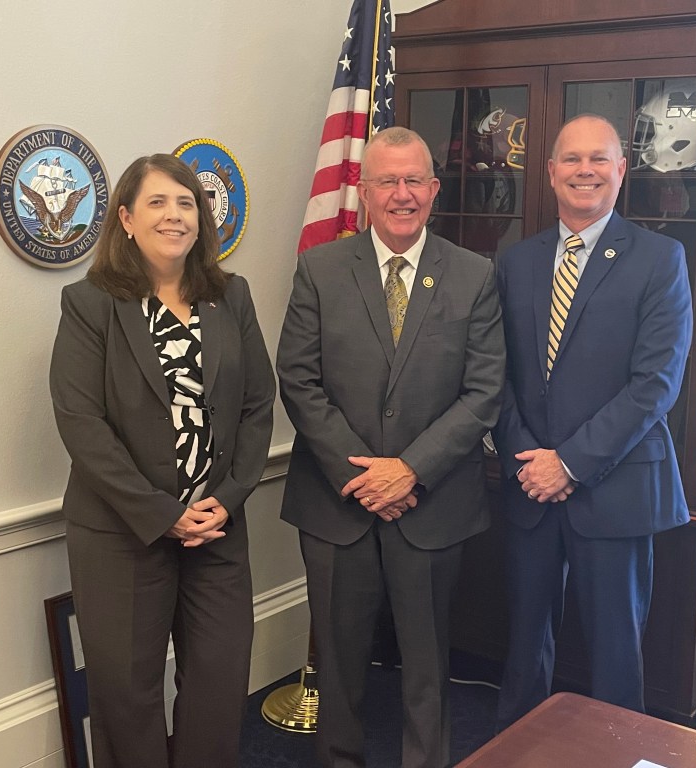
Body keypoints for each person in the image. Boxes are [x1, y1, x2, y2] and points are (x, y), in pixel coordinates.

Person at [277, 126, 505, 768]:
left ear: (434, 189)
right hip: (335, 506)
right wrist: (363, 477)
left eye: (415, 181)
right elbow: (298, 377)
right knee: (339, 669)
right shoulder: (321, 269)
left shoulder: (474, 274)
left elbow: (484, 391)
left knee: (428, 668)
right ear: (364, 190)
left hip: (432, 508)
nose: (402, 195)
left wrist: (409, 470)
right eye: (388, 181)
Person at [49, 153, 275, 768]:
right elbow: (81, 422)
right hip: (122, 534)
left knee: (218, 685)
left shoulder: (233, 296)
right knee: (128, 696)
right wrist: (161, 513)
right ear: (125, 217)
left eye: (185, 204)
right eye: (157, 202)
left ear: (201, 220)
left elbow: (259, 407)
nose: (174, 216)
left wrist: (223, 500)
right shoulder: (90, 303)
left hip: (216, 529)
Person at [493, 114, 692, 726]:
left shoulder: (660, 258)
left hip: (615, 485)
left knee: (614, 657)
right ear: (549, 173)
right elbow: (493, 373)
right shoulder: (515, 260)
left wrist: (571, 464)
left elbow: (654, 384)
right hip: (530, 484)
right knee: (523, 647)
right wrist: (530, 460)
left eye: (599, 159)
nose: (586, 170)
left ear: (621, 170)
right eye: (572, 160)